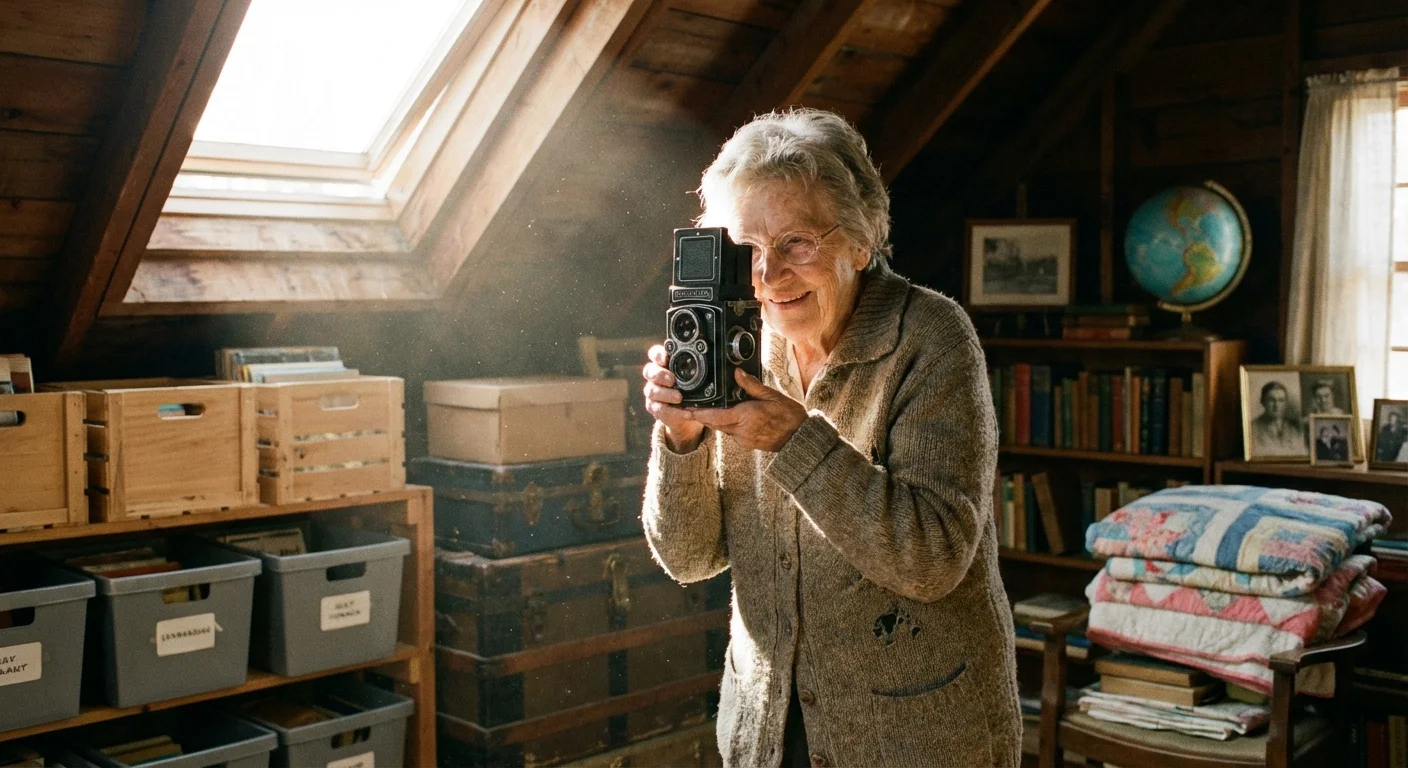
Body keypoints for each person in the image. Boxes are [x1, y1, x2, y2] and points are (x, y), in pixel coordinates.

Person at [641, 109, 1020, 767]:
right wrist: (681, 443)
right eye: (747, 249)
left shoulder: (930, 338)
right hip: (766, 729)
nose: (768, 275)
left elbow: (932, 559)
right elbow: (689, 559)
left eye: (798, 242)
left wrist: (793, 441)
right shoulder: (732, 344)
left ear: (862, 240)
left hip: (916, 737)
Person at [1250, 381, 1308, 457]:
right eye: (1271, 400)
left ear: (1286, 403)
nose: (1276, 405)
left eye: (1281, 400)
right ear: (1263, 402)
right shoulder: (1252, 428)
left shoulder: (1295, 428)